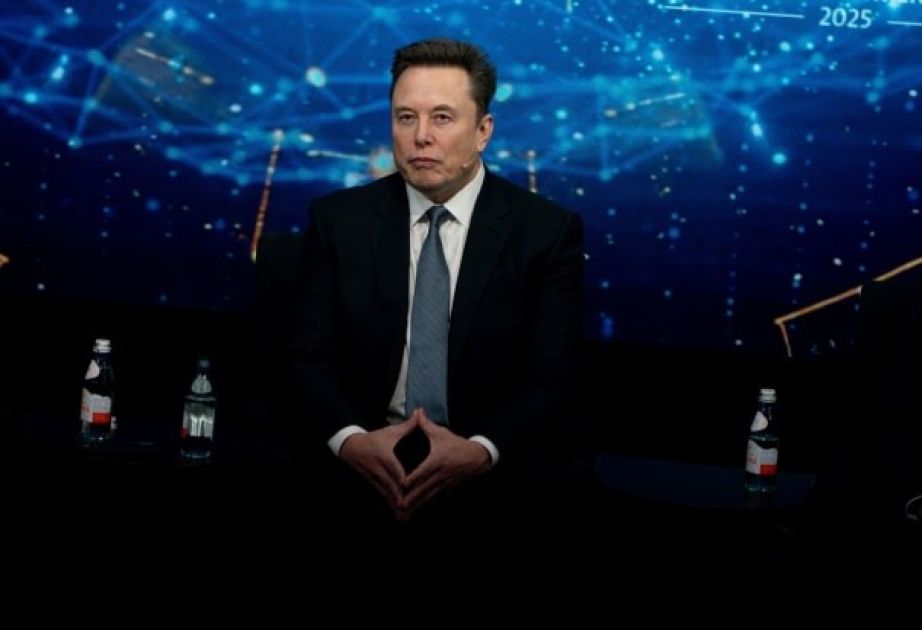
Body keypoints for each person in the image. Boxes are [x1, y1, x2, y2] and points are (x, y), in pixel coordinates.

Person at [291, 38, 585, 552]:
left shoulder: (546, 232)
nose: (420, 136)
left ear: (483, 131)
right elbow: (306, 357)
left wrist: (482, 449)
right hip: (357, 465)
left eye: (442, 118)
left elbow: (552, 376)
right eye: (405, 117)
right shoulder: (338, 221)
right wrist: (350, 441)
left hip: (491, 476)